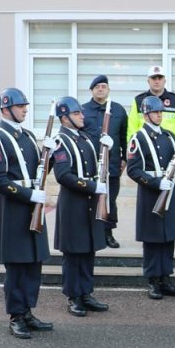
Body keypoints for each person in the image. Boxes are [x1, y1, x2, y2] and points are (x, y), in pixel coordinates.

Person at [0, 87, 53, 339]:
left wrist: (50, 155)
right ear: (5, 109)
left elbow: (37, 171)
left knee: (33, 262)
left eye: (25, 105)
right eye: (20, 105)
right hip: (14, 208)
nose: (25, 109)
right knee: (17, 266)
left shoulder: (27, 136)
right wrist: (28, 195)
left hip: (32, 206)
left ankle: (27, 311)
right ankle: (16, 315)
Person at [51, 96, 110, 317]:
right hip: (74, 203)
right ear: (64, 118)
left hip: (88, 202)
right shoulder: (60, 141)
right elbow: (64, 175)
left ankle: (86, 292)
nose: (82, 116)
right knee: (74, 252)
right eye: (77, 114)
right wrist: (93, 186)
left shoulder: (83, 138)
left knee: (88, 249)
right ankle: (73, 296)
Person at [127, 96, 175, 300]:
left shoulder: (170, 136)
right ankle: (153, 280)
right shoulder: (138, 138)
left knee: (168, 237)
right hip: (150, 193)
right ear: (146, 114)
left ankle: (165, 277)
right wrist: (155, 183)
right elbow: (133, 170)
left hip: (170, 192)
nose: (159, 116)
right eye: (156, 112)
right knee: (153, 239)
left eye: (161, 112)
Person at [81, 74, 128, 249]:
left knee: (110, 199)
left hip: (112, 163)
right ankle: (93, 233)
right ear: (91, 90)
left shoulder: (118, 110)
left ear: (108, 89)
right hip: (90, 164)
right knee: (90, 198)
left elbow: (124, 136)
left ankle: (108, 233)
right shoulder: (83, 110)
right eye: (97, 87)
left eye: (103, 86)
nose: (100, 89)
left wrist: (124, 158)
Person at [126, 64, 175, 142]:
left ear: (164, 81)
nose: (157, 81)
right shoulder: (138, 100)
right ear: (148, 81)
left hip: (170, 145)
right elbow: (132, 127)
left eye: (160, 78)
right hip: (145, 144)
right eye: (154, 78)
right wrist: (132, 146)